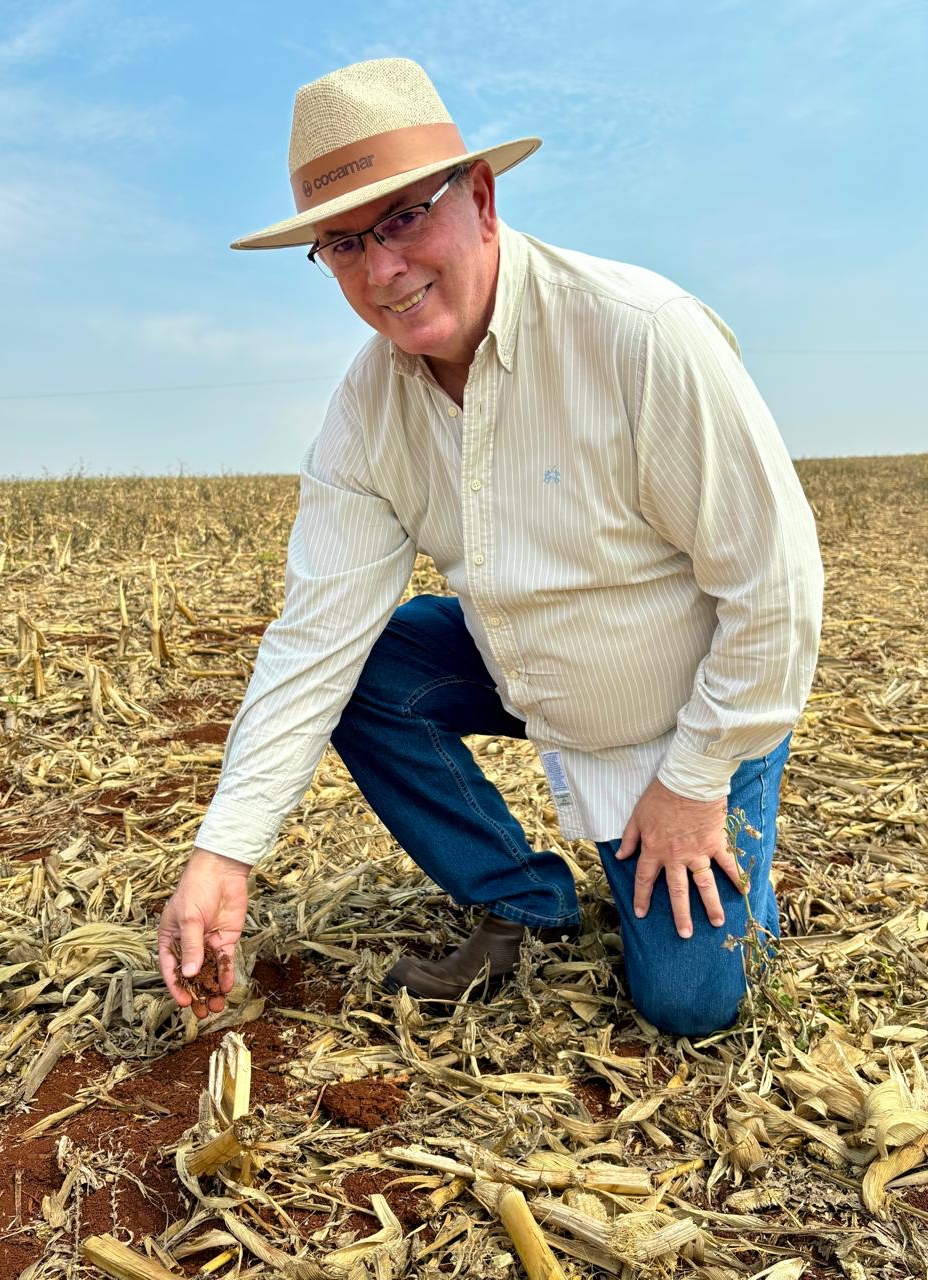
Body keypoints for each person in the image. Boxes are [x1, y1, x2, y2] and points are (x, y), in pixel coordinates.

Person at [158, 57, 823, 1037]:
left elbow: (775, 590)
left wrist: (690, 783)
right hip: (531, 671)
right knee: (367, 670)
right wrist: (224, 851)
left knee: (690, 1003)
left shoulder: (642, 337)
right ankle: (521, 898)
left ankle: (731, 819)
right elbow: (312, 642)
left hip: (691, 711)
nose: (382, 269)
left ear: (478, 197)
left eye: (403, 219)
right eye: (343, 244)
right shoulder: (366, 412)